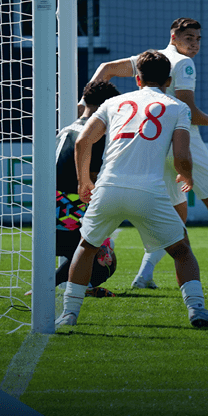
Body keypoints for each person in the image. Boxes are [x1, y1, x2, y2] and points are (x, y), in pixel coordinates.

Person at [57, 50, 208, 328]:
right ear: (169, 79)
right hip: (148, 192)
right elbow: (182, 157)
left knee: (87, 247)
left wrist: (83, 181)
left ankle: (68, 314)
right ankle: (197, 309)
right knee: (182, 249)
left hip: (108, 187)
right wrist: (186, 176)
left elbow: (83, 142)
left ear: (137, 79)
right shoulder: (177, 107)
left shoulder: (113, 103)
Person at [83, 18, 208, 291]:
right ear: (173, 36)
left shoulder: (148, 59)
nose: (195, 43)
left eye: (199, 39)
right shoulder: (183, 63)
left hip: (153, 144)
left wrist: (86, 107)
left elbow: (106, 69)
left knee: (176, 216)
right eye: (189, 37)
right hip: (182, 141)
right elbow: (188, 110)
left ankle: (143, 276)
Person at [53, 81, 122, 297]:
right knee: (106, 260)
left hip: (48, 212)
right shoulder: (94, 134)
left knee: (92, 248)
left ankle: (53, 283)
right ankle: (56, 286)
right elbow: (90, 180)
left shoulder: (66, 129)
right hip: (69, 212)